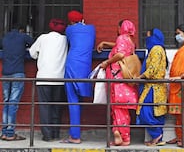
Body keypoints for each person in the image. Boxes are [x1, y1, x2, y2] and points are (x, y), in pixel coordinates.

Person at [97, 19, 139, 146]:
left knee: (117, 107)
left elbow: (120, 54)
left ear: (122, 28)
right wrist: (106, 43)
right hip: (124, 78)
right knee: (122, 108)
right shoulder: (130, 41)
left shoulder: (121, 38)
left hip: (117, 76)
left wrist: (107, 62)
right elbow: (118, 47)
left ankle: (120, 134)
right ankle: (123, 136)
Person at [29, 18, 68, 142]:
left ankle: (47, 135)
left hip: (44, 78)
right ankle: (56, 133)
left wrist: (39, 56)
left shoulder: (42, 38)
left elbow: (32, 53)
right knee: (57, 107)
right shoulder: (65, 40)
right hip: (59, 79)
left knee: (45, 107)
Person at [62, 10, 96, 144]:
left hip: (72, 65)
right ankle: (74, 131)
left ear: (71, 21)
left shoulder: (69, 30)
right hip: (85, 67)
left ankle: (74, 136)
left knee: (73, 101)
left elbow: (70, 42)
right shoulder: (91, 29)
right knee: (80, 99)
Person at [0, 24, 33, 141]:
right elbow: (32, 44)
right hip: (18, 72)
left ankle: (4, 132)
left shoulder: (5, 38)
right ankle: (10, 133)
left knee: (6, 102)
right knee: (13, 103)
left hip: (5, 73)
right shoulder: (23, 36)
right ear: (21, 30)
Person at [136, 28, 168, 146]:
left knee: (145, 111)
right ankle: (158, 138)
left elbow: (152, 69)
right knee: (156, 113)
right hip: (155, 87)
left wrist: (140, 77)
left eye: (149, 37)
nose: (147, 39)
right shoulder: (156, 50)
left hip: (153, 88)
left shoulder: (156, 49)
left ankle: (157, 135)